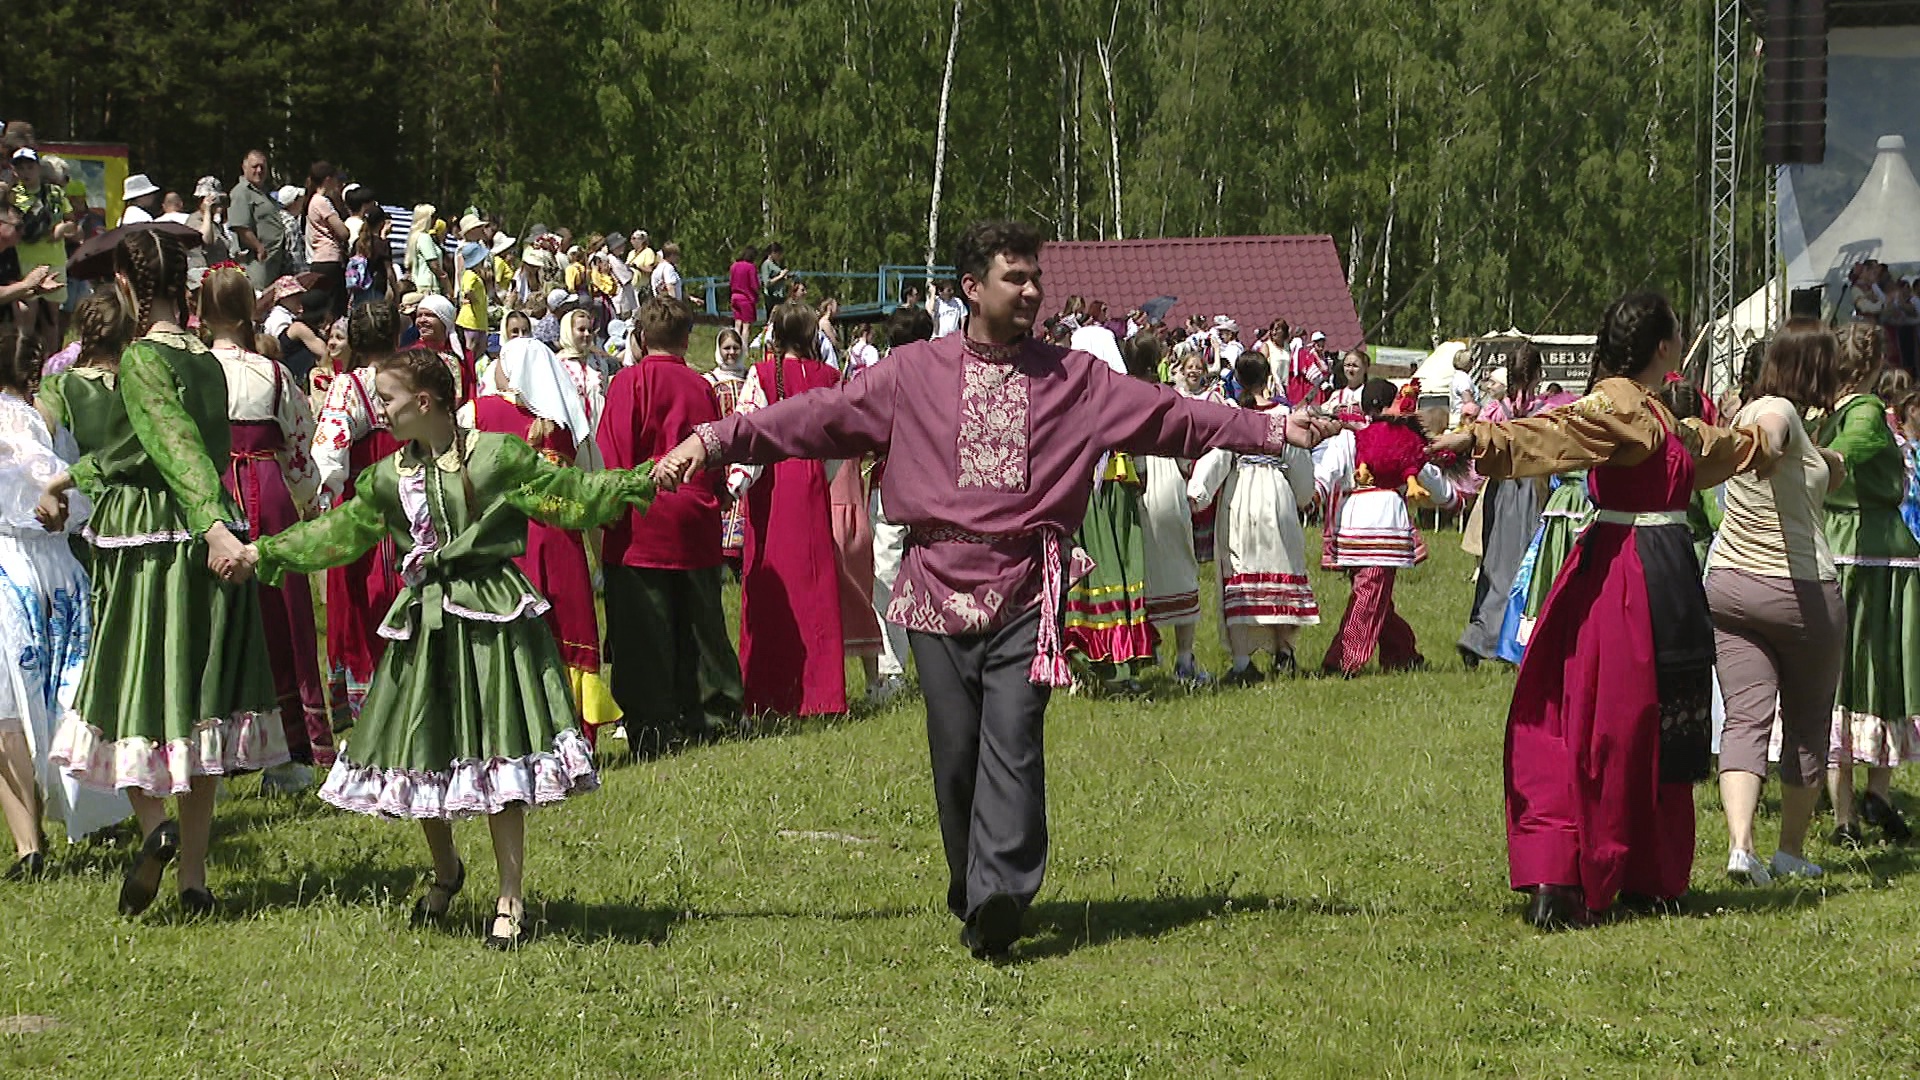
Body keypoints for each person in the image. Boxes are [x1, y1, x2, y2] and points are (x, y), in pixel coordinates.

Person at [652, 219, 1338, 958]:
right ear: (971, 288)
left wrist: (1266, 430)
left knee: (1012, 742)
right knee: (955, 755)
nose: (1033, 290)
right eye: (1016, 277)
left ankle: (1001, 897)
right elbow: (816, 418)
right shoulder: (910, 373)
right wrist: (715, 439)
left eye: (1035, 276)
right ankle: (973, 886)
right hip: (933, 590)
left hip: (1026, 590)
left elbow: (1167, 415)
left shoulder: (1075, 379)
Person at [240, 347, 655, 948]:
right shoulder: (388, 477)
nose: (379, 409)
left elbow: (567, 493)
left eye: (387, 398)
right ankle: (446, 869)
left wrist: (640, 479)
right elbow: (340, 530)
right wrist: (265, 552)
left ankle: (511, 896)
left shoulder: (493, 456)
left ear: (424, 402)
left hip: (490, 617)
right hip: (424, 624)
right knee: (421, 747)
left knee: (497, 753)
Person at [1429, 291, 1770, 929]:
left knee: (1644, 722)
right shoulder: (1618, 404)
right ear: (1664, 346)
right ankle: (1570, 874)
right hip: (1626, 574)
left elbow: (1714, 449)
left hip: (1657, 573)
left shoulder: (1659, 413)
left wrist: (1767, 443)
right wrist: (1478, 435)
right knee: (1608, 723)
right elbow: (1557, 431)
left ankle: (1647, 871)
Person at [43, 227, 288, 917]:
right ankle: (194, 878)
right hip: (206, 529)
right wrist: (68, 476)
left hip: (151, 542)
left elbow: (167, 446)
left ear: (125, 282)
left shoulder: (142, 359)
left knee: (130, 692)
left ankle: (156, 832)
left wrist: (210, 523)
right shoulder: (208, 360)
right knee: (194, 702)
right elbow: (138, 444)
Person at [1705, 326, 1847, 885]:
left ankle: (1742, 847)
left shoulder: (1747, 409)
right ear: (1813, 365)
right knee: (1808, 722)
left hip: (1730, 586)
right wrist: (1771, 446)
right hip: (1800, 593)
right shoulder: (1776, 411)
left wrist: (1826, 460)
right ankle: (1789, 849)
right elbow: (1772, 434)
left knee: (1744, 716)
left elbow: (1792, 455)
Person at [0, 317, 127, 878]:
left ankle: (29, 846)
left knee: (9, 708)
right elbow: (73, 490)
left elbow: (43, 476)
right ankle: (85, 809)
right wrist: (56, 505)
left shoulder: (17, 424)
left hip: (10, 564)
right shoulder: (45, 421)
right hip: (60, 568)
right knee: (64, 696)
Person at [198, 266, 329, 792]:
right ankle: (289, 752)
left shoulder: (192, 369)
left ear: (203, 313)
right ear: (251, 309)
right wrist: (306, 497)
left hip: (212, 489)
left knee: (214, 619)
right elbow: (300, 443)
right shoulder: (273, 373)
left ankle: (215, 749)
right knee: (281, 616)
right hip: (268, 488)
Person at [596, 296, 743, 751]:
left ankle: (651, 724)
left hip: (642, 521)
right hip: (694, 516)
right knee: (700, 625)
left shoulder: (628, 383)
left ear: (640, 337)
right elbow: (714, 448)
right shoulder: (701, 386)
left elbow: (613, 457)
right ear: (685, 339)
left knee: (643, 630)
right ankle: (711, 713)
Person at [469, 338, 619, 745]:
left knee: (519, 630)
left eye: (501, 362)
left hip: (511, 543)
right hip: (563, 544)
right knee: (565, 630)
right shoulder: (570, 425)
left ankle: (517, 732)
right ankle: (572, 736)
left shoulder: (484, 411)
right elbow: (593, 490)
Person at [1819, 323, 1920, 847]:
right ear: (1876, 364)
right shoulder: (1860, 414)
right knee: (1876, 672)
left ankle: (1855, 806)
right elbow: (1848, 452)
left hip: (1851, 549)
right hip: (1871, 551)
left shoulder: (1830, 414)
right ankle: (1859, 804)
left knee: (1853, 673)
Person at [725, 302, 848, 717]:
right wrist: (822, 476)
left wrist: (737, 483)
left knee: (769, 587)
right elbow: (840, 441)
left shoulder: (761, 376)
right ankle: (822, 694)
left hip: (772, 487)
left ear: (774, 335)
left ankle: (766, 693)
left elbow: (746, 434)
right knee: (815, 586)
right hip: (811, 482)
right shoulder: (830, 378)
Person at [1315, 378, 1461, 677]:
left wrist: (1311, 494)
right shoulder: (1399, 437)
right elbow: (1428, 474)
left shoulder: (1348, 438)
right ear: (1386, 405)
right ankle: (1343, 660)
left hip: (1351, 523)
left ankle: (1402, 653)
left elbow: (1326, 473)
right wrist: (1452, 500)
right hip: (1384, 524)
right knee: (1369, 596)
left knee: (1373, 594)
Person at [1190, 350, 1318, 684]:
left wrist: (1199, 491)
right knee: (1281, 564)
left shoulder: (1235, 416)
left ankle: (1243, 660)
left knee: (1241, 567)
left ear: (1238, 379)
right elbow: (1299, 461)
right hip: (1277, 494)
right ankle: (1284, 651)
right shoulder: (1284, 416)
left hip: (1241, 495)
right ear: (1267, 377)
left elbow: (1217, 456)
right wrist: (1304, 495)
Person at [311, 302, 408, 726]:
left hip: (363, 497)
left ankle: (365, 700)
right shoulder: (411, 378)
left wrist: (324, 503)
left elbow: (329, 454)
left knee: (362, 593)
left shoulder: (346, 387)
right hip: (410, 492)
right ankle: (410, 687)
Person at [1458, 342, 1549, 668]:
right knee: (1523, 567)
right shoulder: (1543, 412)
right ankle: (1505, 641)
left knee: (1494, 566)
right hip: (1529, 492)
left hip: (1497, 492)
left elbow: (1476, 453)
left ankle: (1478, 635)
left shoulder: (1494, 410)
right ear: (1538, 374)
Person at [865, 305, 935, 695]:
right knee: (903, 573)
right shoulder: (942, 375)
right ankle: (899, 667)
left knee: (888, 573)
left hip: (898, 484)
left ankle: (895, 670)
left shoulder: (881, 377)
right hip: (919, 485)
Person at [704, 328, 750, 569]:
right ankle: (720, 556)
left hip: (744, 450)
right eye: (726, 348)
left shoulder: (749, 378)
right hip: (721, 450)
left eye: (735, 347)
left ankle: (742, 556)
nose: (731, 353)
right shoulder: (710, 380)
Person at [228, 150, 285, 289]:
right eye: (255, 166)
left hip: (274, 260)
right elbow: (240, 226)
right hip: (256, 261)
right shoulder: (241, 192)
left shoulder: (263, 193)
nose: (259, 171)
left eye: (263, 167)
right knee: (258, 298)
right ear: (244, 167)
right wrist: (258, 247)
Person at [303, 163, 350, 321]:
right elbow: (343, 232)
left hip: (319, 258)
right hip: (329, 258)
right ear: (328, 179)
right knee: (335, 306)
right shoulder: (322, 202)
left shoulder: (312, 201)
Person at [454, 241, 490, 360]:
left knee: (480, 345)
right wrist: (475, 300)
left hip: (478, 318)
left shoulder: (473, 274)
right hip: (472, 317)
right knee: (471, 346)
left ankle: (473, 368)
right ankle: (469, 370)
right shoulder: (470, 274)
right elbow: (468, 291)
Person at [728, 246, 760, 337]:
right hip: (746, 298)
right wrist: (758, 294)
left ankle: (735, 344)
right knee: (746, 325)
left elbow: (731, 282)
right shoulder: (751, 267)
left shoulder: (734, 266)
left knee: (737, 323)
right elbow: (754, 284)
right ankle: (744, 348)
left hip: (735, 297)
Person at [759, 242, 789, 312]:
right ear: (773, 253)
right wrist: (780, 276)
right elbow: (767, 283)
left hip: (780, 295)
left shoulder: (776, 264)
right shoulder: (766, 264)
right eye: (779, 254)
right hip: (772, 296)